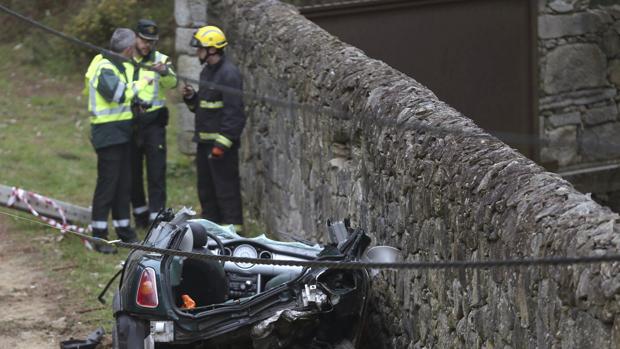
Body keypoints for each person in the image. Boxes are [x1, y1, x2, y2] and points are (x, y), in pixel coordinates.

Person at [84, 28, 151, 253]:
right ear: (129, 49)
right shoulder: (103, 66)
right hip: (107, 134)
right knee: (108, 185)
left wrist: (136, 102)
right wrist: (143, 84)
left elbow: (123, 98)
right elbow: (118, 94)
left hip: (121, 133)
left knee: (123, 185)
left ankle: (125, 233)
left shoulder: (115, 65)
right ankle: (99, 237)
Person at [182, 25, 246, 232]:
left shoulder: (229, 74)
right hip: (204, 143)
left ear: (212, 49)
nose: (197, 52)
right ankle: (210, 231)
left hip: (221, 148)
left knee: (226, 191)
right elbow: (202, 107)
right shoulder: (207, 72)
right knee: (206, 191)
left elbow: (235, 114)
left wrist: (221, 145)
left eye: (200, 48)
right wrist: (191, 98)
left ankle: (233, 234)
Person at [130, 19, 178, 228]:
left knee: (156, 172)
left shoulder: (161, 59)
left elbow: (173, 83)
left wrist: (164, 73)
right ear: (135, 37)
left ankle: (156, 219)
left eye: (151, 41)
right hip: (131, 122)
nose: (146, 45)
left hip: (154, 124)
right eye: (143, 40)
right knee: (132, 171)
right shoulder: (125, 57)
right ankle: (140, 214)